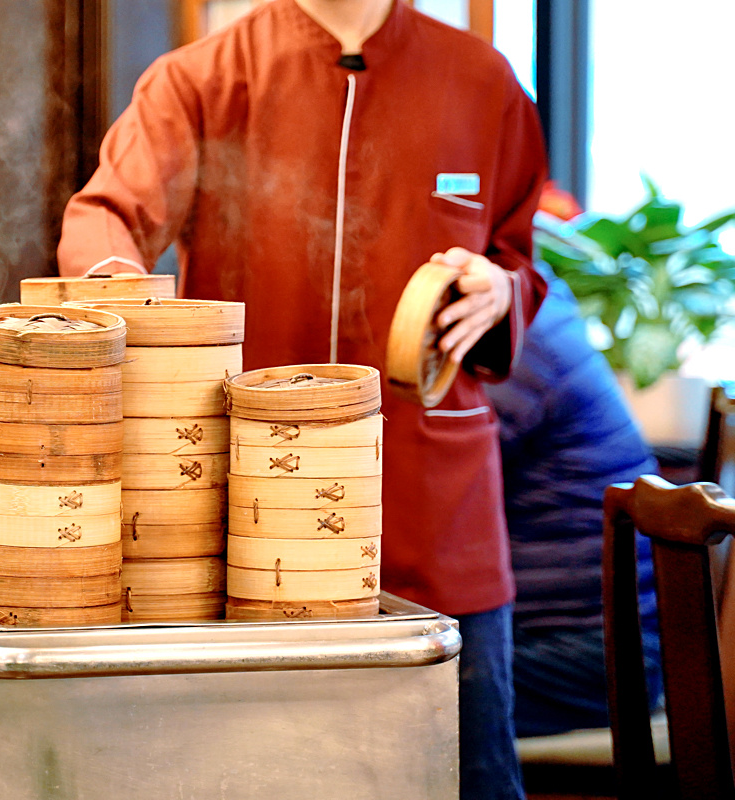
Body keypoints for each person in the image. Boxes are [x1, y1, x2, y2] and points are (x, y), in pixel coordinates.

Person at [57, 1, 548, 797]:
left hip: (436, 513)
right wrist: (122, 291)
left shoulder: (481, 80)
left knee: (472, 777)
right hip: (258, 515)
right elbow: (107, 217)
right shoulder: (200, 79)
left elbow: (516, 254)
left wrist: (503, 289)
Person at [484, 271, 663, 738]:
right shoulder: (538, 313)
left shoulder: (517, 345)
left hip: (600, 659)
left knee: (395, 691)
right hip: (598, 644)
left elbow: (429, 493)